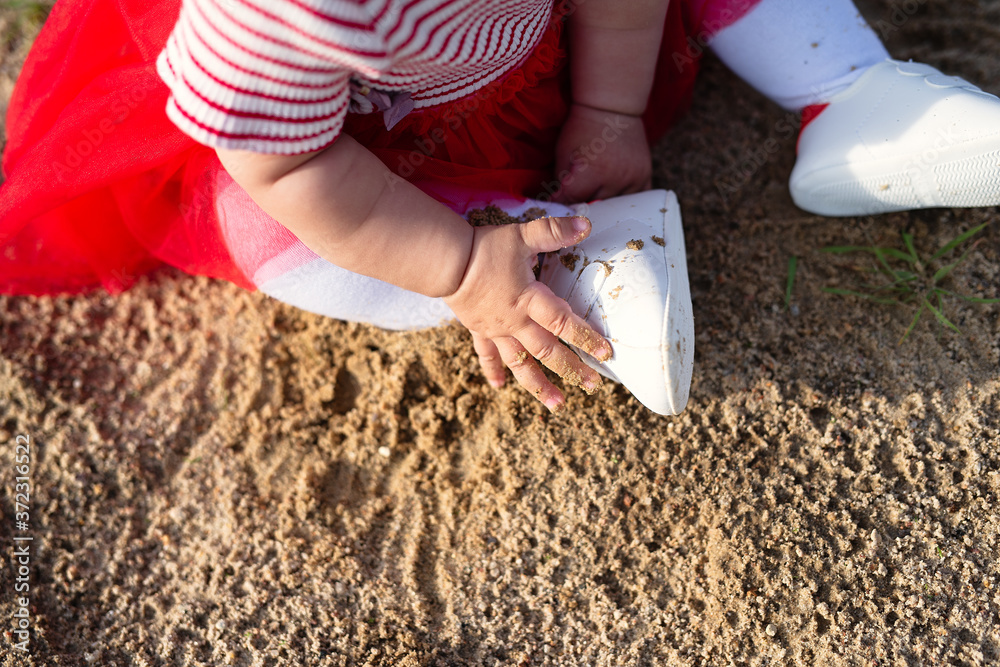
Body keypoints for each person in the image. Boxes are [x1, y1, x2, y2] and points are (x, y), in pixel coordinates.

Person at [2, 0, 999, 415]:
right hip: (382, 146)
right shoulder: (272, 18)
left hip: (572, 35)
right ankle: (542, 260)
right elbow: (287, 165)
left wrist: (610, 107)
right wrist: (455, 268)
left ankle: (855, 101)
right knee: (262, 223)